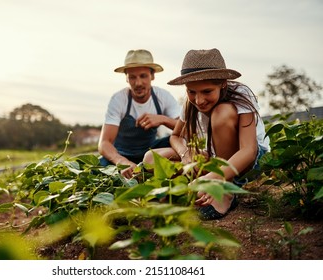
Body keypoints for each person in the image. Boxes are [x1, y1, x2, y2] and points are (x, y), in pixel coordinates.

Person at [143, 48, 270, 220]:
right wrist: (185, 154)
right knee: (150, 159)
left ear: (223, 83)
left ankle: (224, 189)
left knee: (221, 113)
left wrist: (211, 176)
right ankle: (200, 184)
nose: (199, 100)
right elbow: (176, 136)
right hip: (213, 157)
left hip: (248, 160)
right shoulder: (190, 104)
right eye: (191, 92)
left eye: (207, 91)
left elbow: (248, 151)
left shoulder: (240, 94)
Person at [98, 49, 180, 179]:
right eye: (132, 77)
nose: (138, 83)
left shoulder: (163, 97)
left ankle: (181, 169)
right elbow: (104, 143)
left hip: (150, 151)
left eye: (143, 76)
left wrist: (163, 119)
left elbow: (186, 129)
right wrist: (122, 162)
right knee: (99, 168)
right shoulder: (119, 99)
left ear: (152, 76)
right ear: (126, 78)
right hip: (122, 153)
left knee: (174, 139)